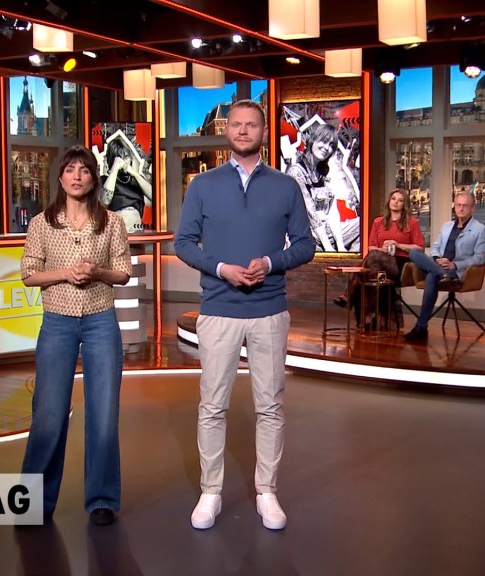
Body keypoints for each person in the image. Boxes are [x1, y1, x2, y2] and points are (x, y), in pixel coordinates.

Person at [175, 100, 316, 531]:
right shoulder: (203, 185)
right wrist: (221, 268)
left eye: (251, 124)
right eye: (235, 124)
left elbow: (305, 245)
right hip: (218, 309)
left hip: (269, 310)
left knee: (270, 405)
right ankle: (211, 492)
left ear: (263, 131)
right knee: (212, 405)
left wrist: (271, 263)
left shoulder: (286, 186)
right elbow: (184, 243)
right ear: (227, 130)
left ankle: (267, 492)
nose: (242, 130)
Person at [20, 145, 132, 526]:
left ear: (93, 178)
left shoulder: (111, 222)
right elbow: (29, 273)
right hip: (58, 321)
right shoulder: (42, 224)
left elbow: (123, 272)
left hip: (101, 319)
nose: (77, 177)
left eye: (84, 170)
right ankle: (34, 503)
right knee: (49, 414)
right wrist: (65, 273)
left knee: (104, 412)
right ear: (60, 177)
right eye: (70, 170)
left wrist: (97, 272)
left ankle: (102, 498)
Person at [402, 190, 485, 342]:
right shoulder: (447, 226)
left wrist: (455, 264)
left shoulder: (480, 229)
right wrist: (437, 259)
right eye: (458, 205)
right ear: (454, 206)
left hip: (456, 271)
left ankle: (421, 327)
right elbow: (435, 247)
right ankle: (439, 272)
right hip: (439, 266)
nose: (461, 208)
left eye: (465, 206)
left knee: (431, 276)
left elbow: (480, 258)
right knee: (414, 253)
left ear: (472, 208)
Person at [335, 189, 424, 324]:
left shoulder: (412, 223)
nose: (396, 202)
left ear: (404, 205)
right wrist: (382, 250)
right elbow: (371, 247)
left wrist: (398, 245)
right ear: (389, 201)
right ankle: (372, 314)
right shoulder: (378, 222)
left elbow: (420, 248)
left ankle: (349, 296)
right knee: (374, 263)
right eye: (393, 199)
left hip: (400, 263)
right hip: (379, 263)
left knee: (368, 262)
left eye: (400, 200)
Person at [286, 122, 360, 252]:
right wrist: (328, 247)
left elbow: (332, 210)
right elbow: (311, 214)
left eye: (331, 145)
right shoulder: (297, 172)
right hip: (306, 233)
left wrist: (340, 245)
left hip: (327, 230)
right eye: (324, 141)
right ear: (313, 140)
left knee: (362, 224)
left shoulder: (324, 173)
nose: (326, 148)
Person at [100, 132, 152, 234]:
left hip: (136, 229)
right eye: (120, 158)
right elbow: (105, 201)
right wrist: (114, 169)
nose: (124, 162)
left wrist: (134, 173)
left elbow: (153, 196)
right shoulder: (106, 180)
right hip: (116, 231)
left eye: (126, 157)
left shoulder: (136, 180)